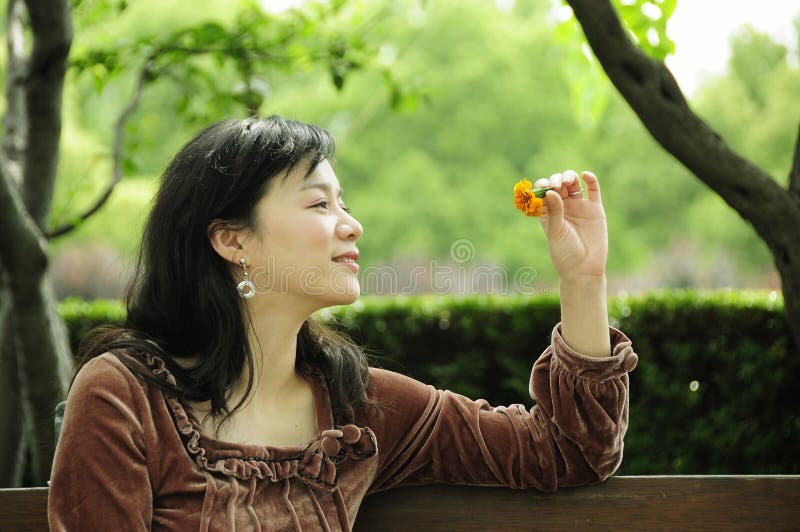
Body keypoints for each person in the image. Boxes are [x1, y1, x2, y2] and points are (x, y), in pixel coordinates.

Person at [48, 115, 638, 531]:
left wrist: (582, 280)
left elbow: (566, 451)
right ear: (231, 240)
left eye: (344, 202)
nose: (351, 224)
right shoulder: (124, 399)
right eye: (319, 204)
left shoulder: (359, 407)